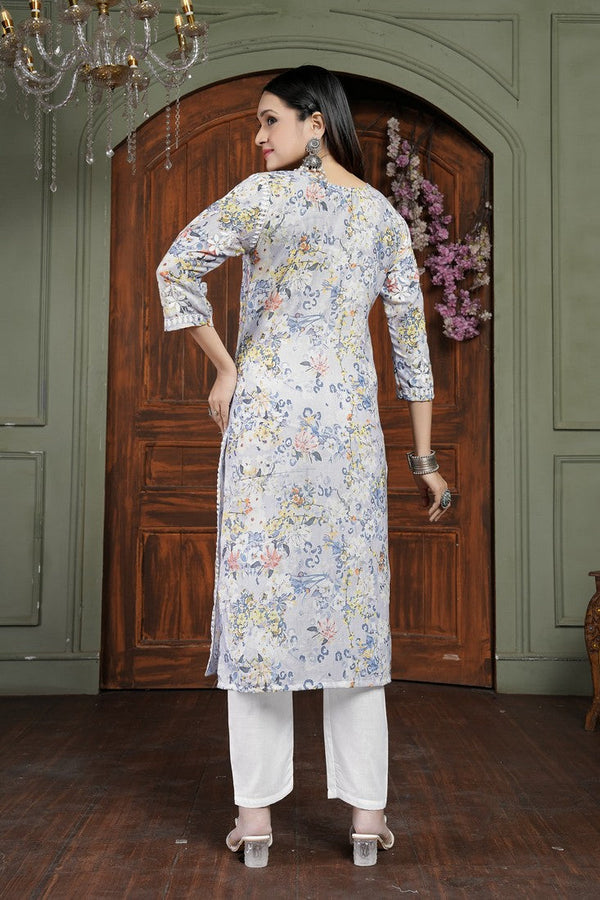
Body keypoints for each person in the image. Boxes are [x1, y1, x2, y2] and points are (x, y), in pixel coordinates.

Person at [156, 65, 450, 868]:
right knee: (352, 617)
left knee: (260, 613)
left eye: (269, 120)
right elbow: (411, 349)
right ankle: (366, 820)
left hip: (266, 434)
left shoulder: (261, 199)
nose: (259, 137)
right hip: (347, 441)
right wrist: (425, 459)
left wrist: (227, 368)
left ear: (316, 121)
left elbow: (174, 268)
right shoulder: (383, 216)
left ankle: (254, 821)